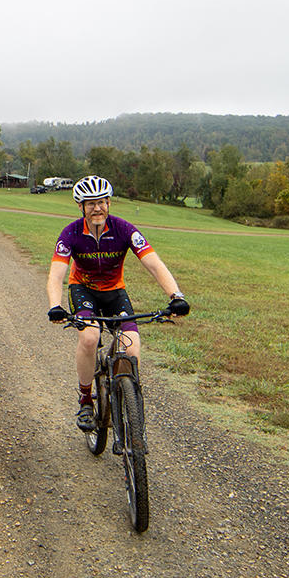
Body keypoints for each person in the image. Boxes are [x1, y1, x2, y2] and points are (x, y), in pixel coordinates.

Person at [45, 176, 190, 431]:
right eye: (90, 203)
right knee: (89, 337)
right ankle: (86, 399)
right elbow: (57, 273)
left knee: (132, 350)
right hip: (83, 290)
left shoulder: (124, 229)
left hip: (115, 292)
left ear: (109, 202)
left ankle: (129, 403)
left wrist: (176, 296)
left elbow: (154, 264)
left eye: (101, 202)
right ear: (81, 207)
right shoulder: (71, 233)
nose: (97, 208)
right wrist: (55, 305)